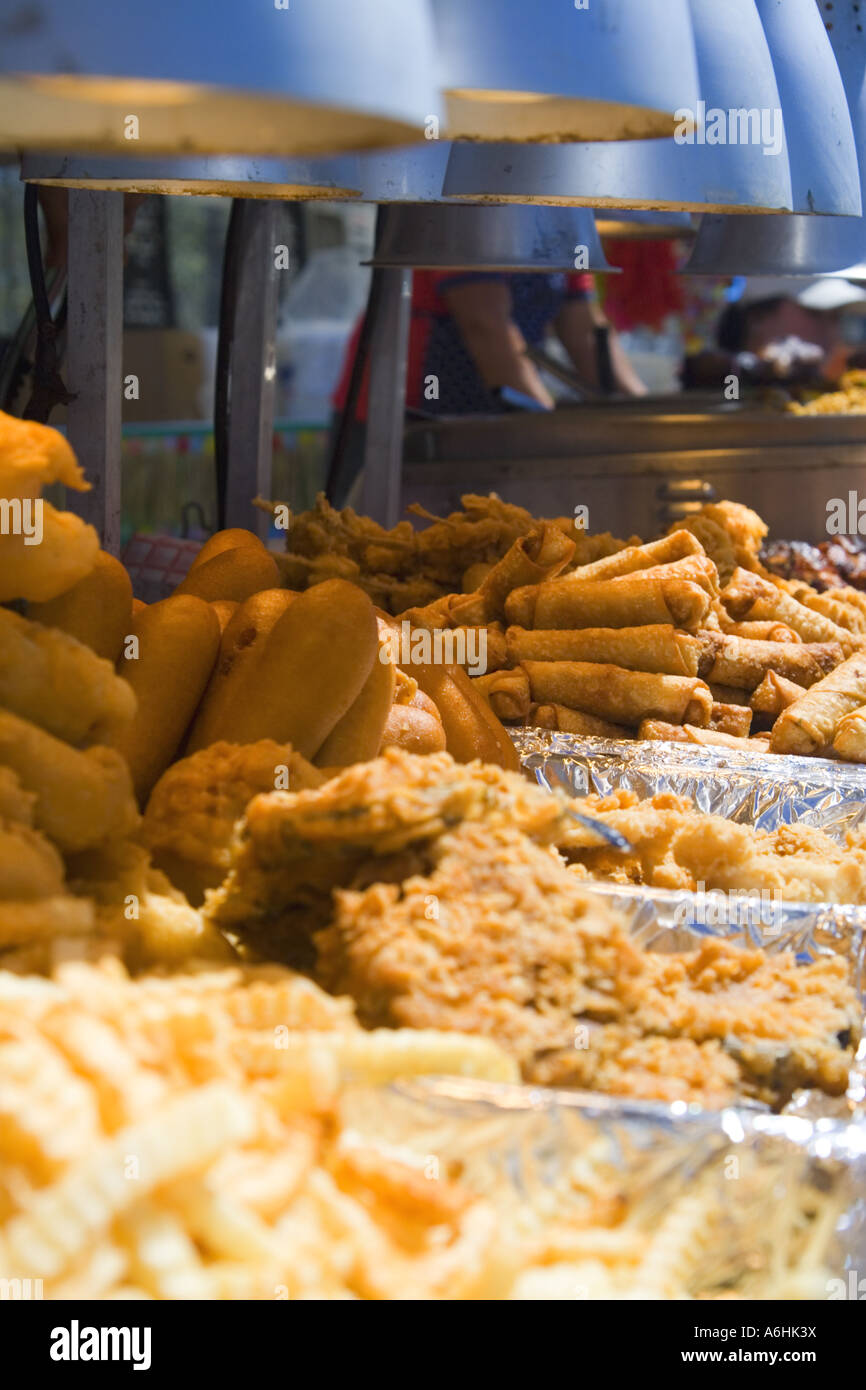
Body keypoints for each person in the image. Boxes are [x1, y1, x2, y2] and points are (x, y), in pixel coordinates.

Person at [327, 269, 646, 505]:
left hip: (497, 412)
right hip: (402, 417)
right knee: (375, 549)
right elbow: (485, 324)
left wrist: (645, 421)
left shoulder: (562, 211)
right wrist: (555, 436)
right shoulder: (474, 197)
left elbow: (587, 334)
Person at [681, 276, 866, 391]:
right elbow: (730, 397)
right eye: (814, 313)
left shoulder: (829, 391)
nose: (831, 331)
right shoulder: (723, 377)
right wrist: (752, 370)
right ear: (758, 317)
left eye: (836, 317)